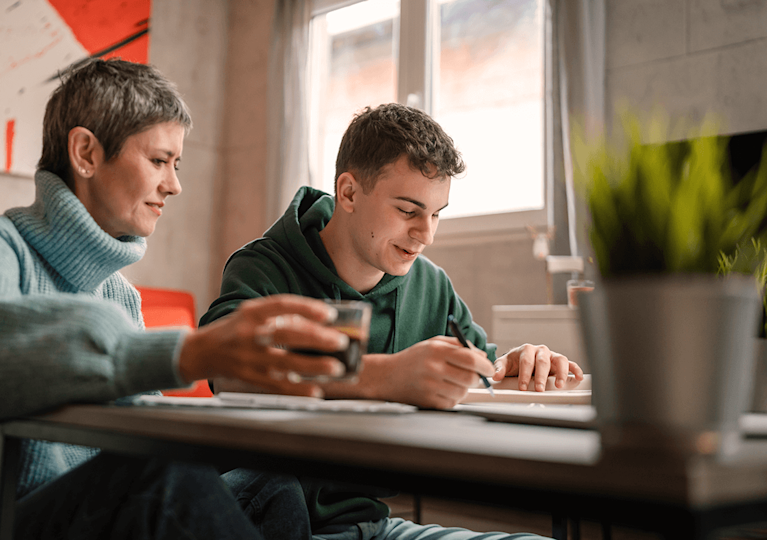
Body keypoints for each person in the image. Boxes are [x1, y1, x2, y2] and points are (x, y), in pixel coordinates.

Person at [0, 59, 350, 540]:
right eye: (160, 160)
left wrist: (258, 421)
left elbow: (140, 432)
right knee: (161, 481)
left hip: (59, 517)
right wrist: (191, 352)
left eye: (177, 165)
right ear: (86, 153)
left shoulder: (118, 294)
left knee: (272, 484)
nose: (174, 185)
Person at [200, 103, 584, 539]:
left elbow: (482, 374)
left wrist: (518, 365)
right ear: (348, 193)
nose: (427, 234)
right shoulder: (264, 266)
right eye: (408, 211)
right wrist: (381, 376)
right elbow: (223, 367)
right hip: (267, 518)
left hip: (370, 527)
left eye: (436, 213)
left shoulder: (431, 285)